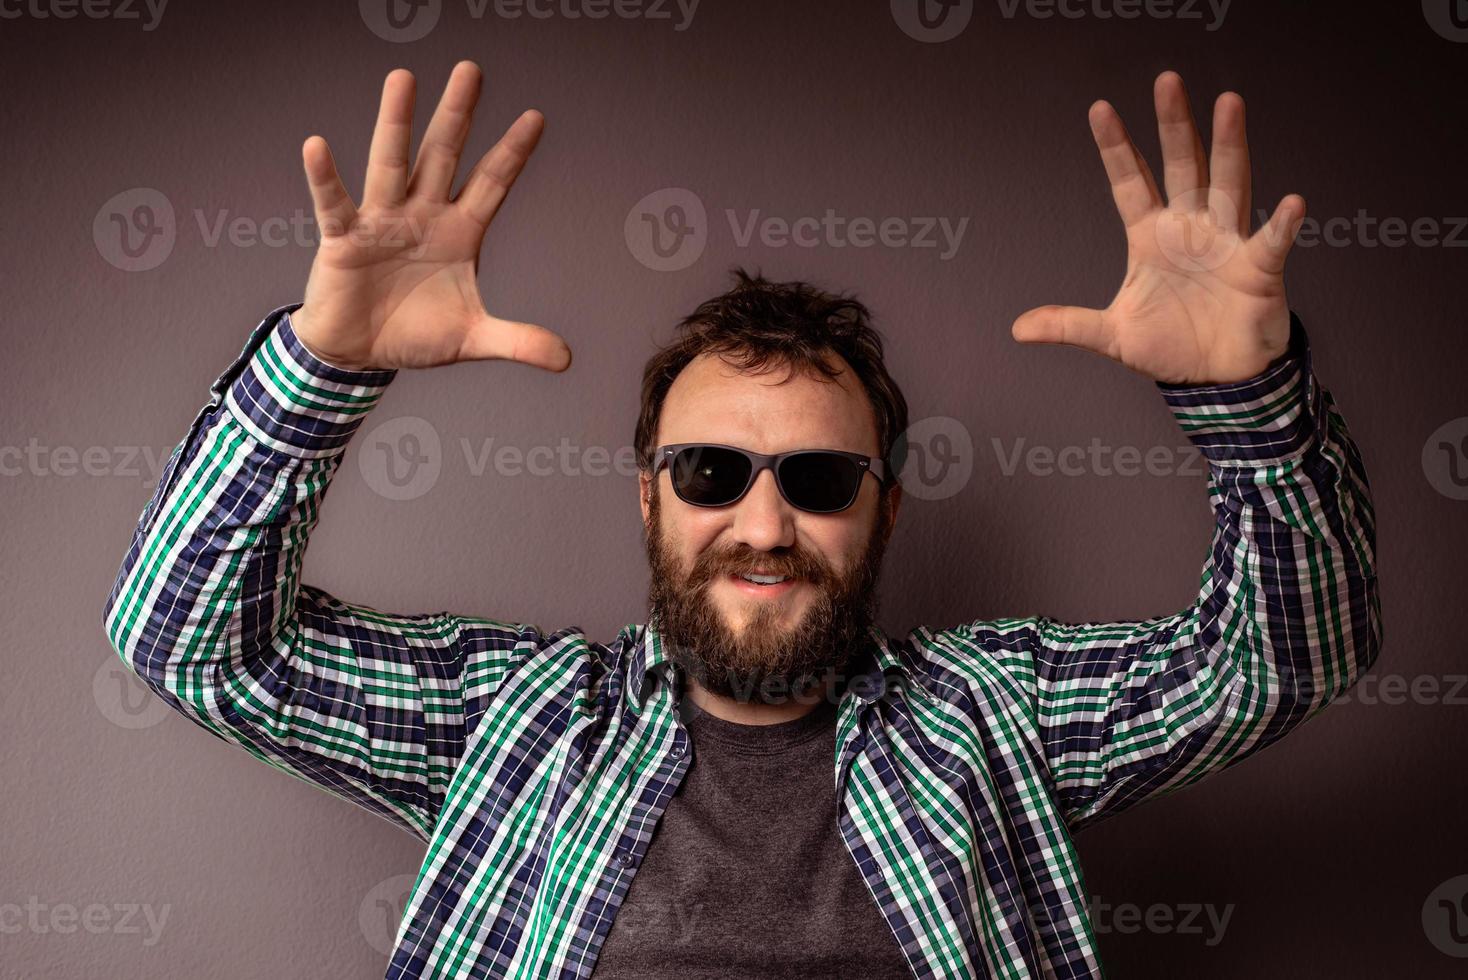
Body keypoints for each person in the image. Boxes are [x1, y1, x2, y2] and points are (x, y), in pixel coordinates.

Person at [102, 60, 1381, 979]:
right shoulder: (519, 721)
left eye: (819, 480)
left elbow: (1277, 660)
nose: (763, 521)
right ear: (648, 489)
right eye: (713, 472)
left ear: (882, 506)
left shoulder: (993, 713)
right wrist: (323, 370)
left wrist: (1245, 406)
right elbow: (193, 645)